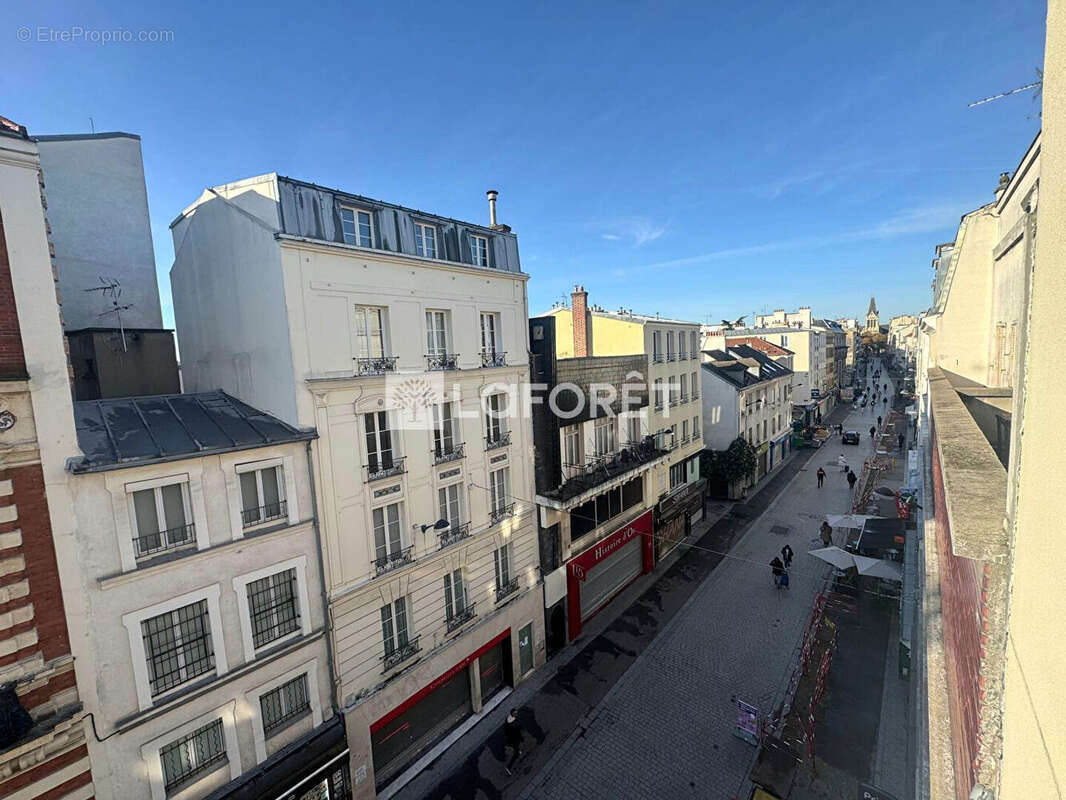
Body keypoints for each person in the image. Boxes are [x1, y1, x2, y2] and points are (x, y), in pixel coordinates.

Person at [504, 708, 523, 775]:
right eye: (515, 713)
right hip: (514, 739)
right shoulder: (512, 722)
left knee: (515, 746)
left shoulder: (509, 720)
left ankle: (517, 750)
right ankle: (508, 767)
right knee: (516, 754)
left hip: (511, 738)